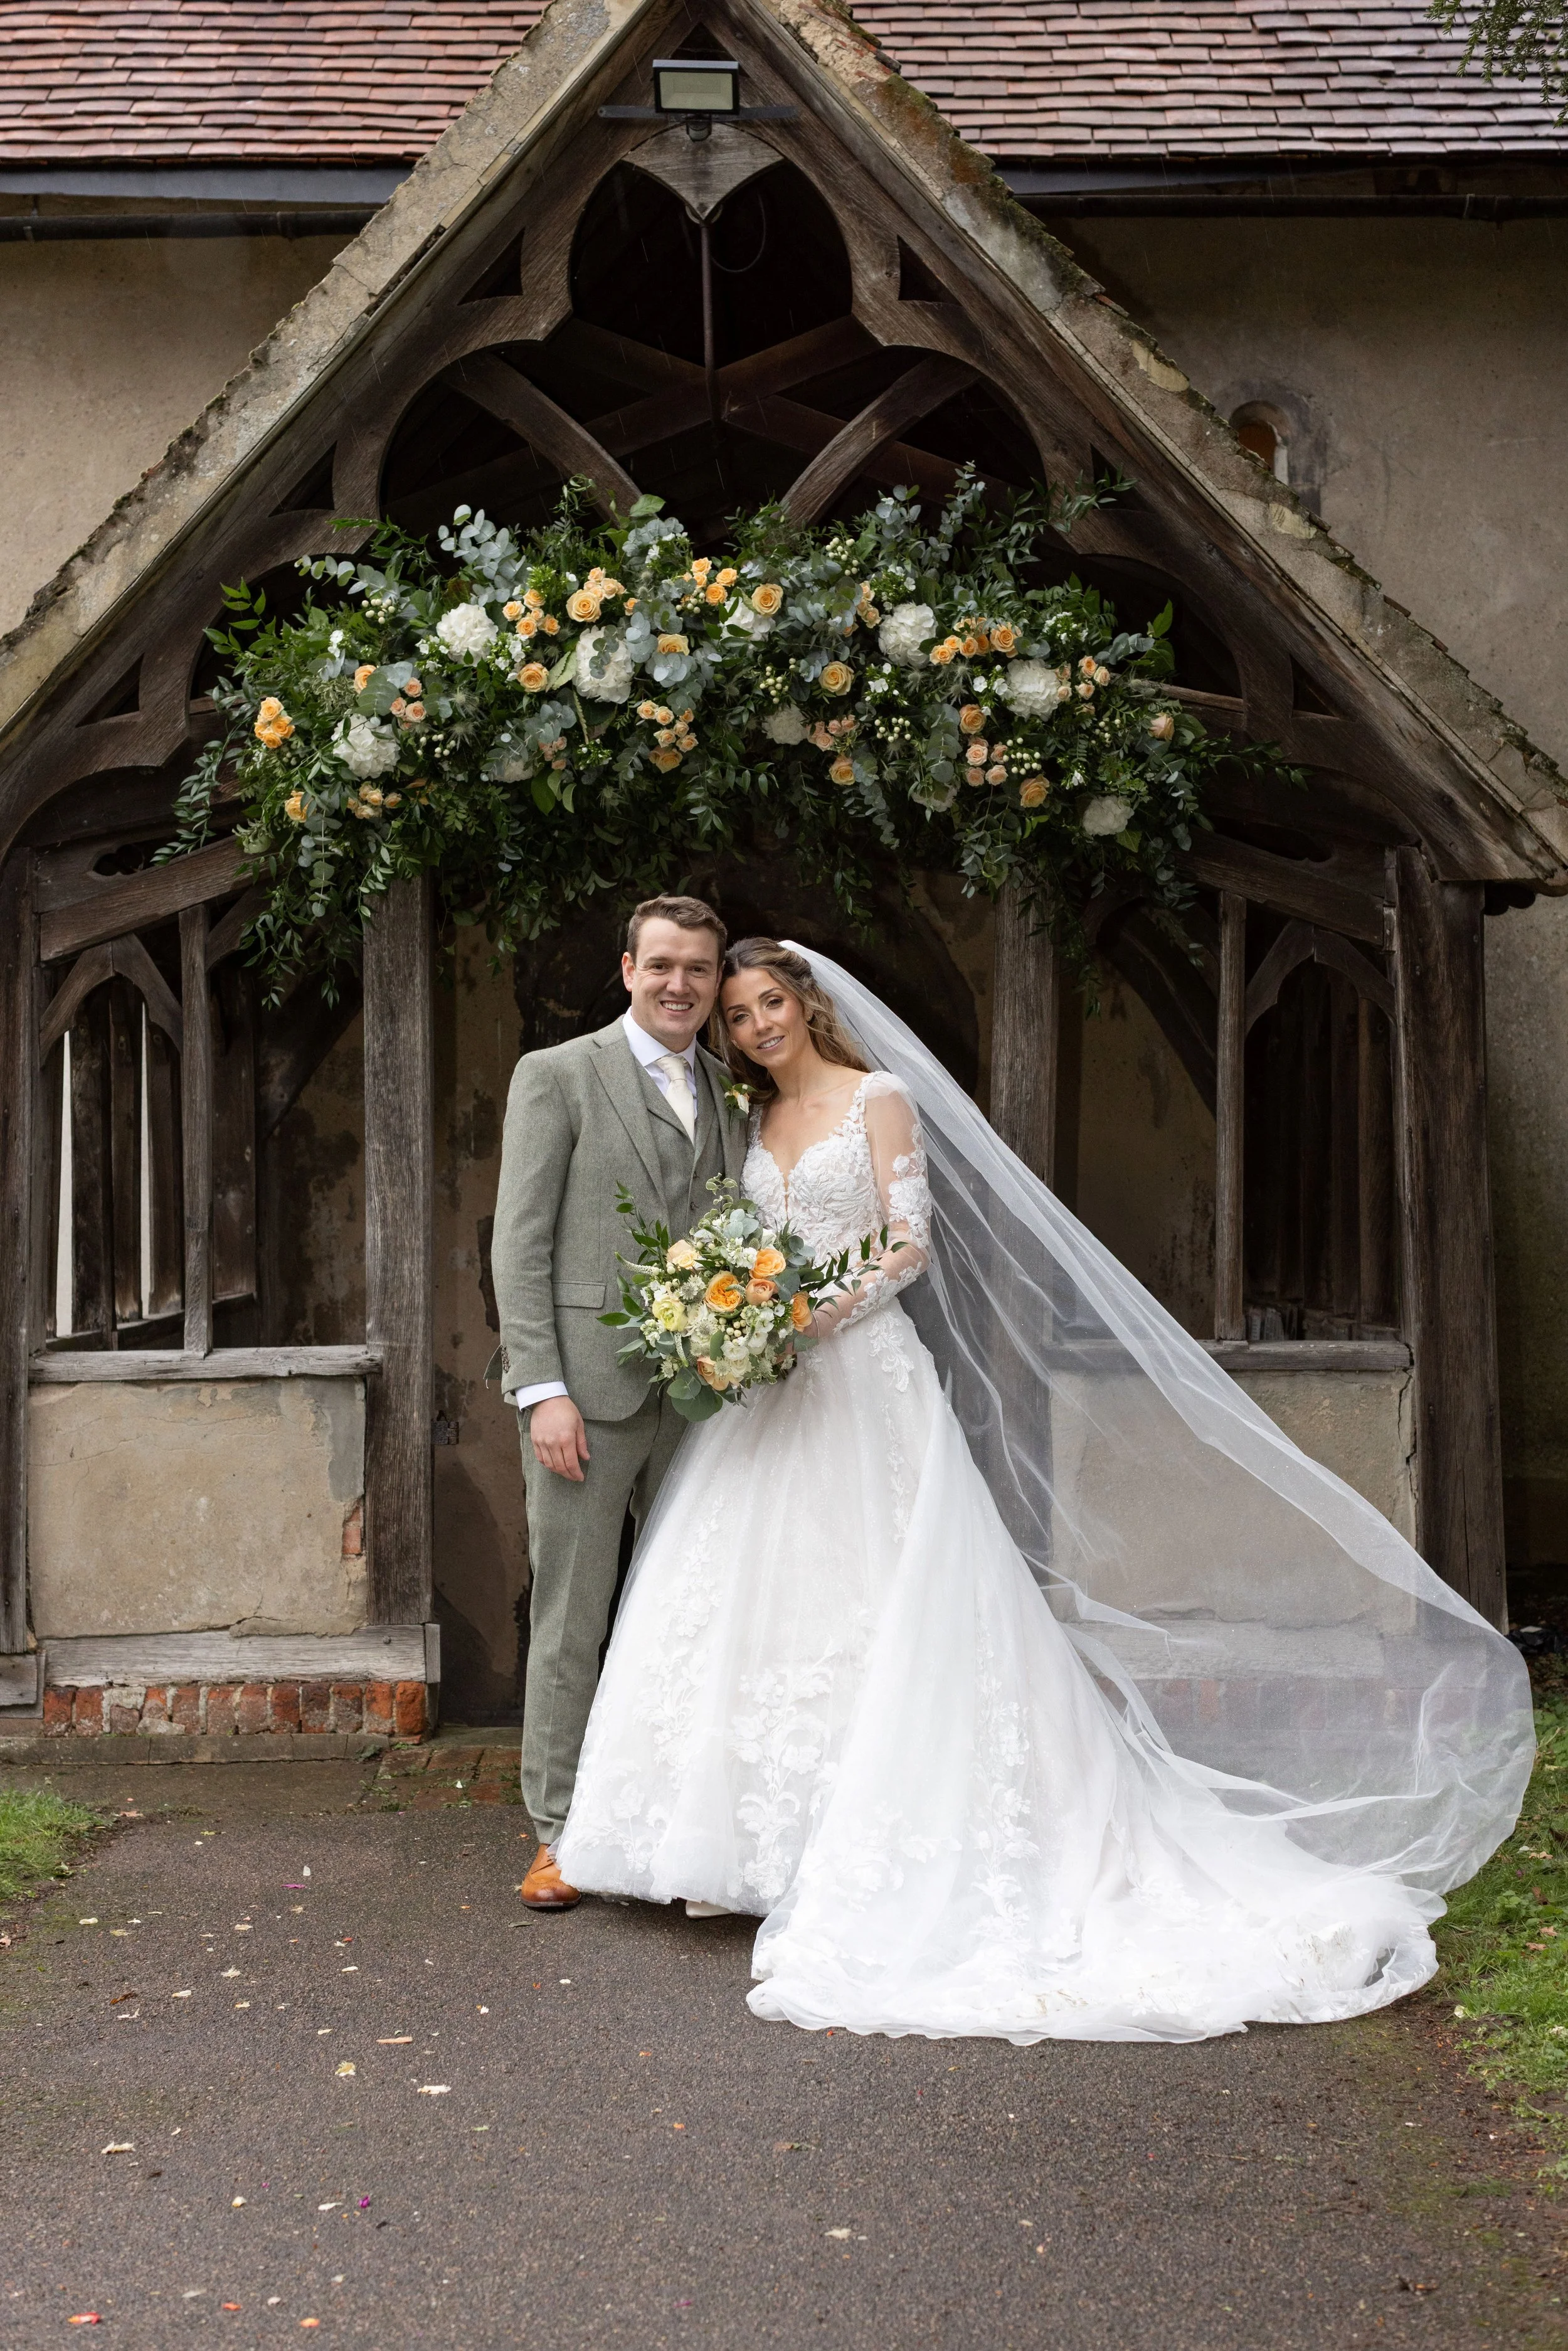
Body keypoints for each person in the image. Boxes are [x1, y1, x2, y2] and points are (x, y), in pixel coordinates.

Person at [553, 937, 1534, 2043]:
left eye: (766, 1002)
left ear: (805, 1002)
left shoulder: (877, 1098)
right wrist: (739, 1326)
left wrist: (803, 1318)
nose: (753, 1026)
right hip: (773, 1395)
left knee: (884, 1594)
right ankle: (731, 1847)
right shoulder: (747, 1120)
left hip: (863, 1381)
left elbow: (906, 1247)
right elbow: (740, 1243)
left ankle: (867, 1839)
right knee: (749, 1600)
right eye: (735, 1015)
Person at [490, 896, 748, 1908]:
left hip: (702, 1403)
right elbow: (520, 1242)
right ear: (628, 968)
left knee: (687, 1615)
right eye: (663, 966)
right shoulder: (557, 1076)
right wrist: (541, 1388)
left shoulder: (731, 1094)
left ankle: (674, 1830)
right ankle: (558, 1834)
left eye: (698, 969)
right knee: (573, 1615)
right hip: (584, 1401)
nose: (680, 984)